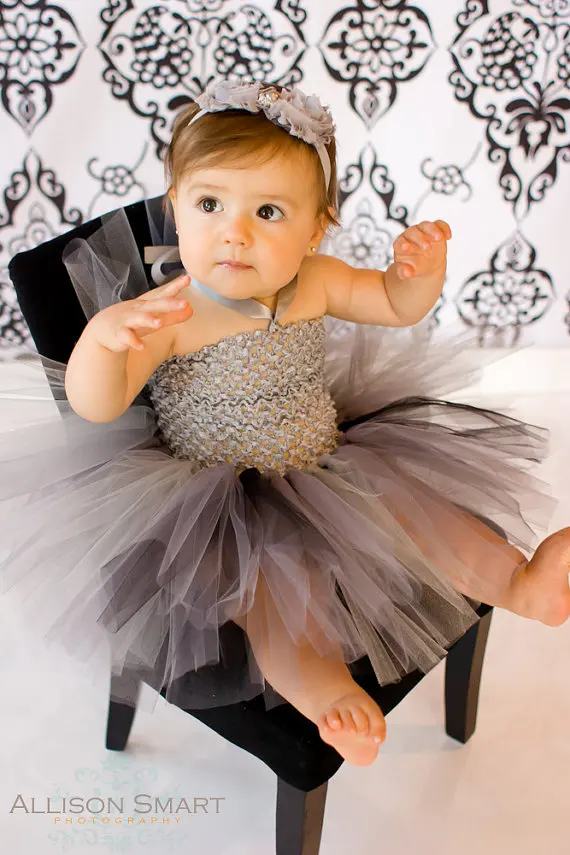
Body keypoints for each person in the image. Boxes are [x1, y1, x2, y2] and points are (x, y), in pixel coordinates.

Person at [2, 79, 569, 767]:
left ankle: (519, 582)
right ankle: (324, 692)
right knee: (273, 596)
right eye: (210, 204)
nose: (234, 232)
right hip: (225, 498)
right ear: (176, 208)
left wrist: (416, 275)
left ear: (315, 228)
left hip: (329, 459)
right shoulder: (172, 312)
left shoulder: (316, 279)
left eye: (268, 211)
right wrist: (103, 341)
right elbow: (99, 404)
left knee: (431, 519)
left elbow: (394, 304)